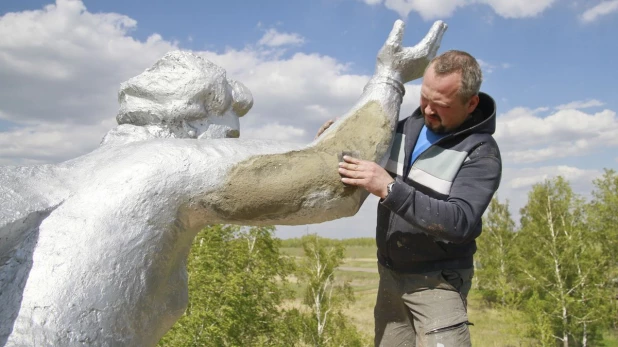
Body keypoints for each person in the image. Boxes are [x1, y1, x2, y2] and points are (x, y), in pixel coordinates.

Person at [320, 50, 501, 346]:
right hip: (390, 276)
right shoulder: (403, 129)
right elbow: (357, 164)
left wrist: (389, 188)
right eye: (424, 98)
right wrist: (338, 137)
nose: (428, 110)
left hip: (438, 281)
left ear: (471, 103)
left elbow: (460, 223)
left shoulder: (481, 152)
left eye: (440, 105)